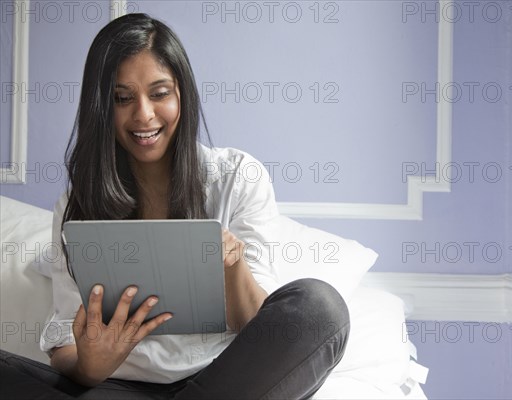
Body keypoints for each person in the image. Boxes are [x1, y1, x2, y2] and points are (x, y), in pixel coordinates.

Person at [0, 13, 349, 399]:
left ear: (182, 93)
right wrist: (90, 365)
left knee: (320, 309)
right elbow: (66, 345)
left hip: (226, 379)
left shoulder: (236, 177)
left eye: (159, 93)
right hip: (119, 387)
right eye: (122, 98)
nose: (144, 115)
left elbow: (258, 327)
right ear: (101, 107)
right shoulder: (79, 202)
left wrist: (232, 268)